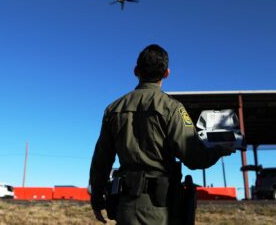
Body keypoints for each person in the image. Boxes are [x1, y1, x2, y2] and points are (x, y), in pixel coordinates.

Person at [89, 44, 235, 224]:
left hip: (125, 208)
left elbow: (101, 160)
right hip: (162, 210)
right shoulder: (172, 108)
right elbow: (195, 158)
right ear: (167, 73)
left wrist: (96, 199)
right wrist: (220, 150)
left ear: (136, 70)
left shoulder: (113, 110)